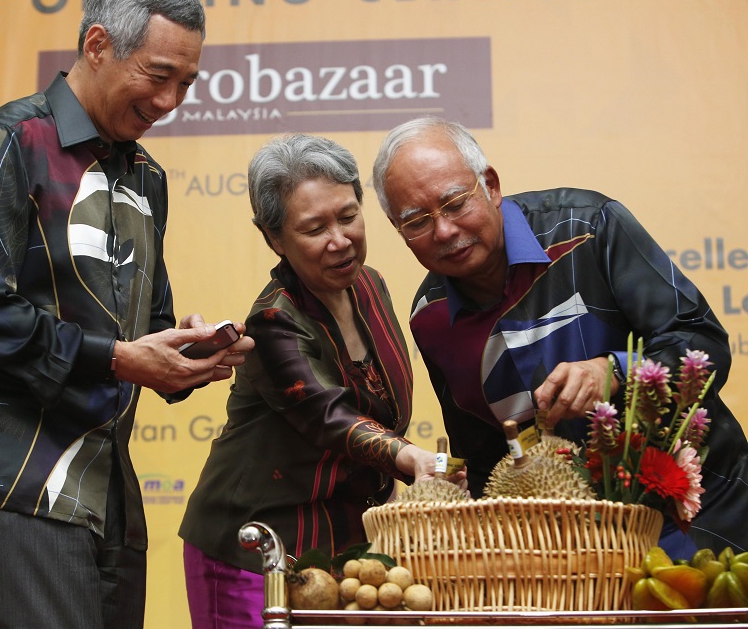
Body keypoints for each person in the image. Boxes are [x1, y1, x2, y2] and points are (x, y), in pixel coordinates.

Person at [0, 0, 253, 628]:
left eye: (187, 83)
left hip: (110, 498)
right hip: (15, 484)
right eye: (158, 74)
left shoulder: (147, 175)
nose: (171, 101)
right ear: (99, 45)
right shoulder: (10, 141)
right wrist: (120, 359)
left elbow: (149, 324)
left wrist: (188, 350)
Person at [371, 116, 748, 557]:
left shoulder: (588, 228)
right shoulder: (430, 317)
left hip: (700, 513)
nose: (444, 231)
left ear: (490, 185)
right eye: (416, 221)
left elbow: (703, 343)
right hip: (567, 552)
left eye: (455, 203)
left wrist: (614, 372)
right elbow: (482, 455)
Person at [179, 133, 465, 629]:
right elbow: (330, 418)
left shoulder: (370, 285)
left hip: (346, 549)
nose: (340, 240)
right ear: (275, 239)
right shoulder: (273, 321)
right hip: (254, 548)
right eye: (314, 228)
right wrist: (412, 458)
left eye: (348, 216)